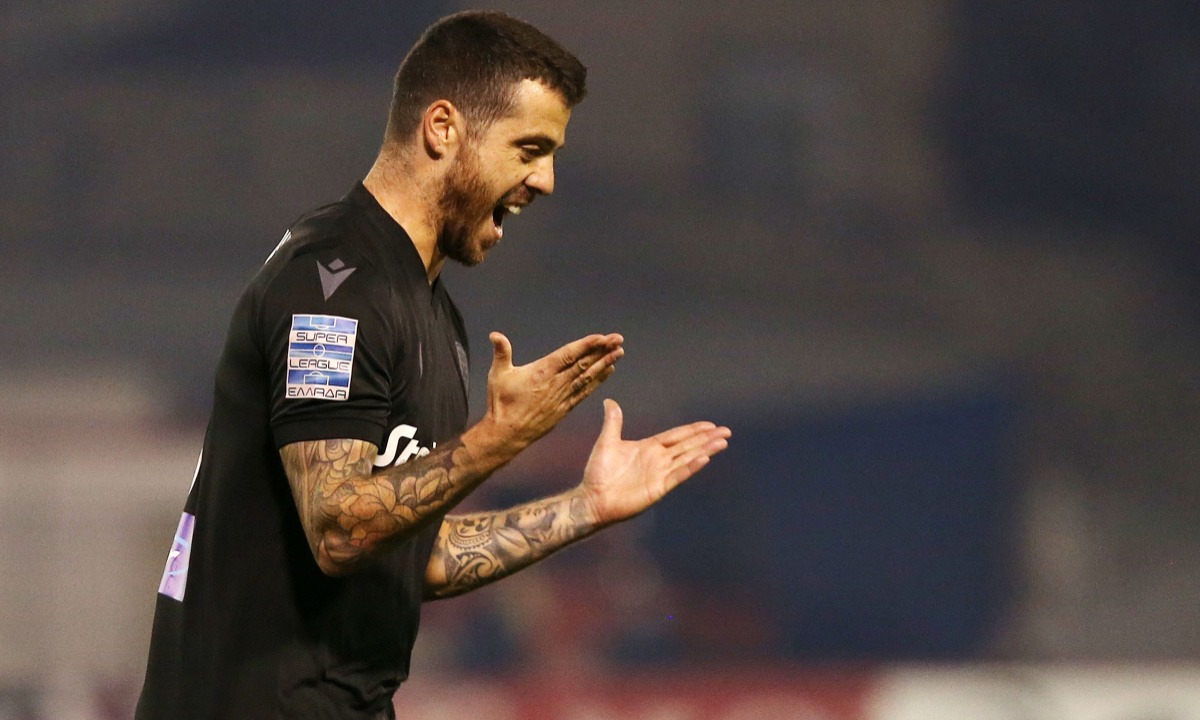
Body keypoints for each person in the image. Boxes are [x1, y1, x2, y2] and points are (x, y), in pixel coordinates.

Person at [135, 10, 731, 719]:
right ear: (443, 128)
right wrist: (500, 439)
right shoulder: (333, 284)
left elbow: (410, 553)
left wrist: (586, 507)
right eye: (530, 148)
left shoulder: (432, 315)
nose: (545, 180)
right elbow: (339, 528)